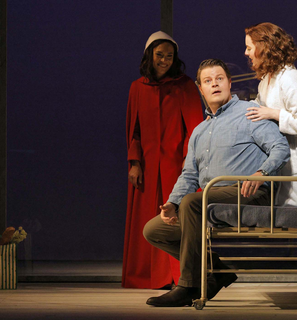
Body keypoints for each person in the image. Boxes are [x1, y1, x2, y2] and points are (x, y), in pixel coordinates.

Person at [143, 59, 290, 307]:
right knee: (154, 230)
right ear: (200, 89)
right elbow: (189, 174)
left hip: (249, 193)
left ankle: (188, 286)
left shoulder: (249, 113)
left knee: (192, 202)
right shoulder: (199, 132)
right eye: (208, 81)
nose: (215, 84)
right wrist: (171, 203)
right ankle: (218, 271)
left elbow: (280, 148)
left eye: (220, 78)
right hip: (211, 199)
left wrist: (261, 173)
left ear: (230, 83)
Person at [122, 31, 204, 289]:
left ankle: (178, 277)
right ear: (150, 55)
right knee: (145, 220)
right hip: (146, 164)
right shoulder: (137, 87)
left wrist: (189, 160)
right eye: (160, 55)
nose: (165, 60)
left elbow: (195, 126)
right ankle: (144, 276)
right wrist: (134, 162)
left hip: (175, 164)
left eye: (169, 56)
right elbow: (133, 130)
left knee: (174, 218)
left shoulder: (185, 85)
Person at [244, 22, 297, 208]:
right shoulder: (267, 79)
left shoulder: (289, 77)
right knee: (286, 209)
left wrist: (273, 113)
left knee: (295, 211)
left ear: (263, 47)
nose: (246, 53)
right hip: (285, 148)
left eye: (249, 47)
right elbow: (258, 107)